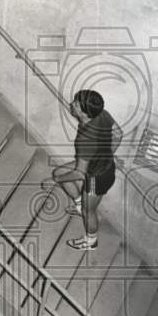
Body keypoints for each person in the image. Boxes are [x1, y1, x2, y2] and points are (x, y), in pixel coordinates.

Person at [41, 89, 123, 249]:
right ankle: (80, 206)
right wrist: (108, 154)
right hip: (100, 166)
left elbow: (79, 173)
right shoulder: (101, 114)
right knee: (59, 171)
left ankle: (91, 241)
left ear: (84, 113)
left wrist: (55, 181)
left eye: (76, 104)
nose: (72, 104)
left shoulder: (85, 139)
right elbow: (118, 134)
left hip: (95, 178)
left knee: (89, 211)